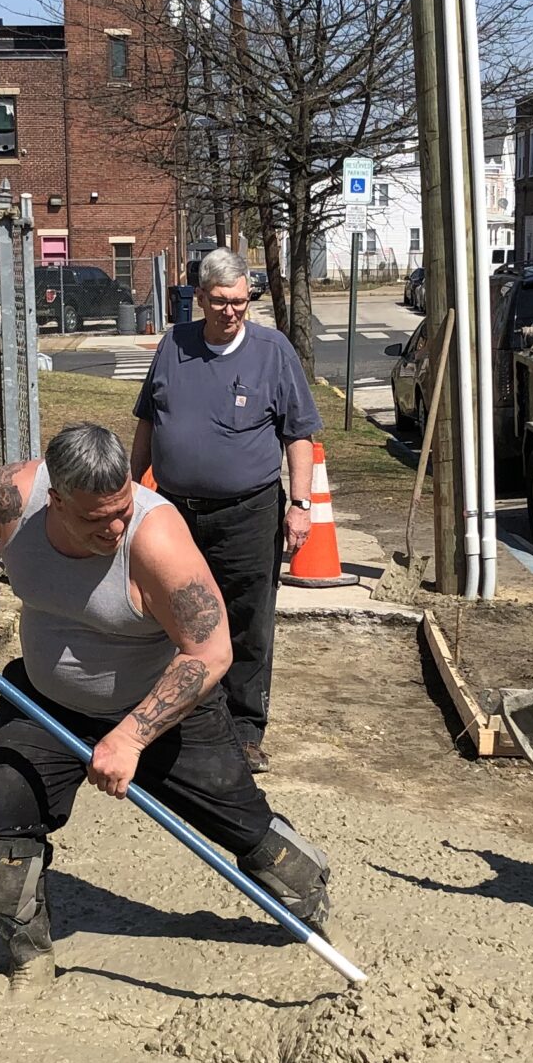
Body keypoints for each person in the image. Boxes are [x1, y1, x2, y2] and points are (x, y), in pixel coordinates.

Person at [0, 422, 331, 993]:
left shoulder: (156, 539)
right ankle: (28, 953)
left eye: (122, 507)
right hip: (45, 701)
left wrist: (130, 737)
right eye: (98, 519)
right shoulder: (15, 498)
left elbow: (211, 650)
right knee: (7, 809)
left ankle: (309, 890)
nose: (116, 526)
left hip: (161, 706)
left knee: (243, 821)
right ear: (56, 500)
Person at [128, 247, 322, 774]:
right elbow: (148, 422)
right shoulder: (175, 345)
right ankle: (172, 715)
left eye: (240, 301)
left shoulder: (271, 350)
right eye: (220, 301)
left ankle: (244, 728)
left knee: (246, 618)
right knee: (172, 612)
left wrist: (300, 505)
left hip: (248, 511)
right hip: (174, 511)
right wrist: (129, 492)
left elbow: (298, 434)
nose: (232, 311)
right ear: (199, 299)